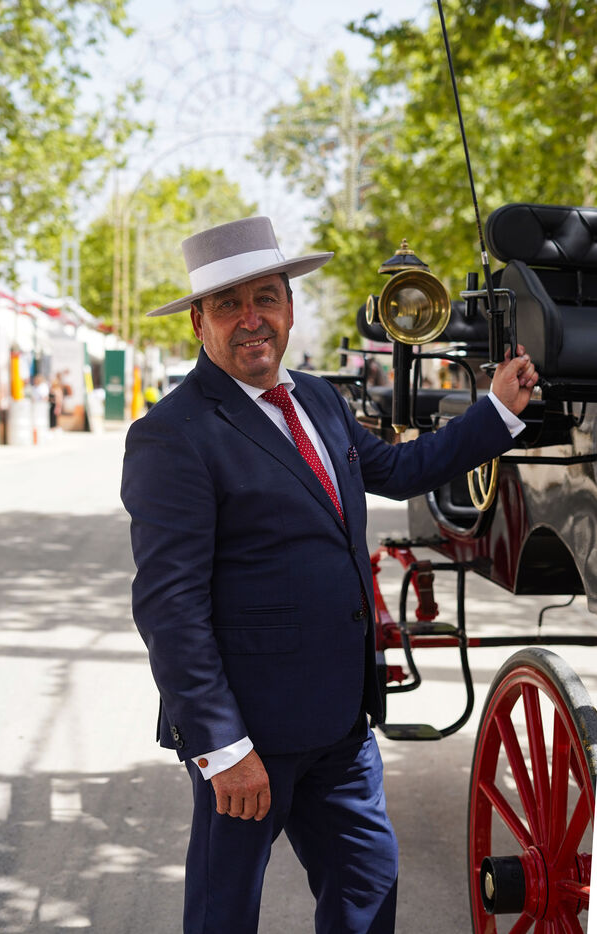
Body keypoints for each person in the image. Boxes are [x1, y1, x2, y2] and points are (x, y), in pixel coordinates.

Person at [121, 216, 538, 934]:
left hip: (341, 723)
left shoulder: (317, 399)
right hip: (248, 735)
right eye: (227, 305)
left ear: (289, 306)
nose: (251, 319)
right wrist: (222, 747)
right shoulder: (172, 433)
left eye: (265, 297)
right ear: (198, 322)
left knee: (367, 884)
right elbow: (169, 608)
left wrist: (495, 409)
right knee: (224, 914)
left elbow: (399, 470)